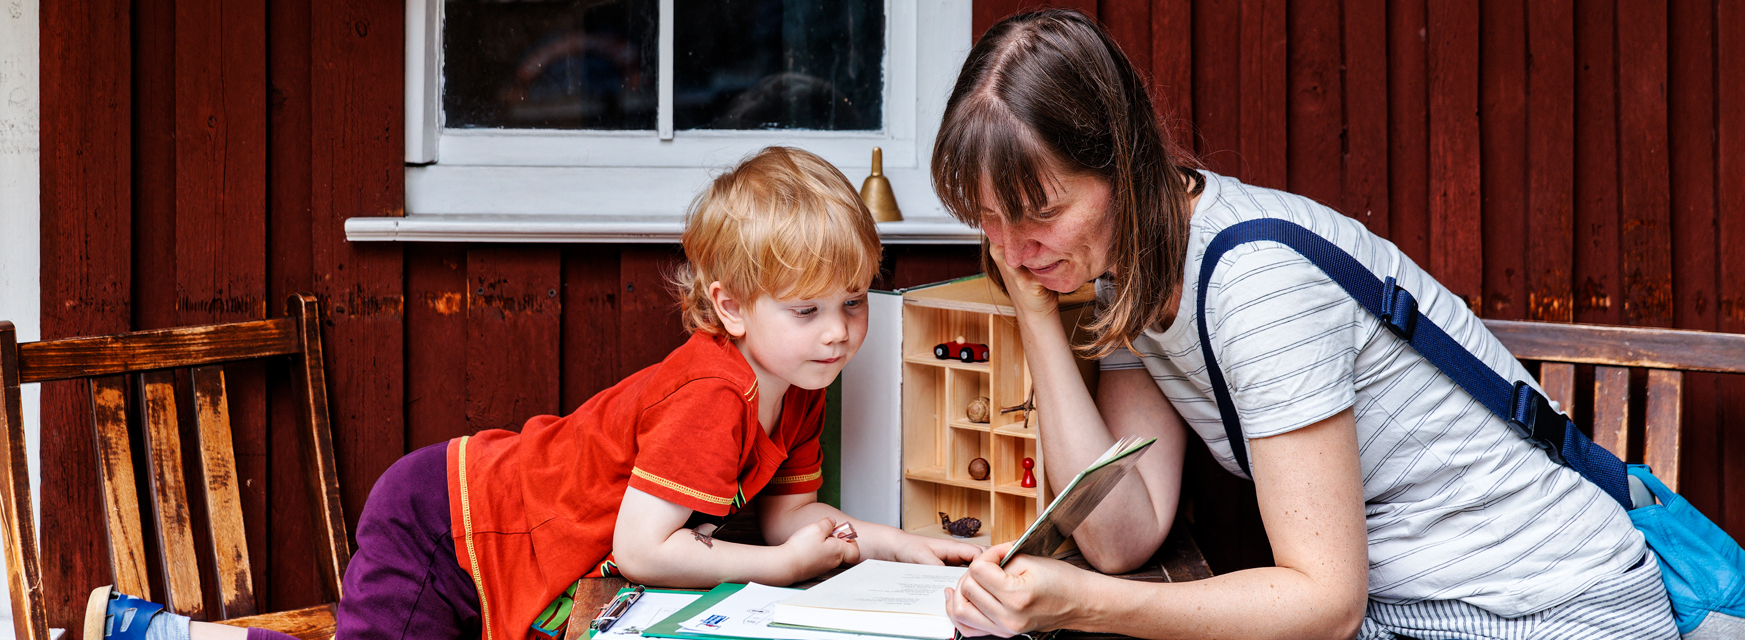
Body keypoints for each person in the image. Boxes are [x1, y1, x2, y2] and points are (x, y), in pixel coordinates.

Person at [931, 9, 1677, 640]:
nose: (1011, 250)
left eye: (1041, 216)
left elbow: (1325, 600)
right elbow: (1123, 531)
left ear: (1121, 166)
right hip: (1422, 610)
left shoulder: (1256, 285)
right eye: (989, 222)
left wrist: (1081, 603)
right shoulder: (1127, 271)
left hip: (1550, 606)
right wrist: (1034, 308)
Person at [82, 146, 982, 640]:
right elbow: (646, 550)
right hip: (448, 521)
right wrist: (779, 568)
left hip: (507, 527)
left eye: (856, 300)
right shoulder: (716, 396)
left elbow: (790, 519)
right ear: (731, 307)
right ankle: (164, 637)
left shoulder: (800, 380)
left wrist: (908, 548)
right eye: (809, 308)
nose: (840, 330)